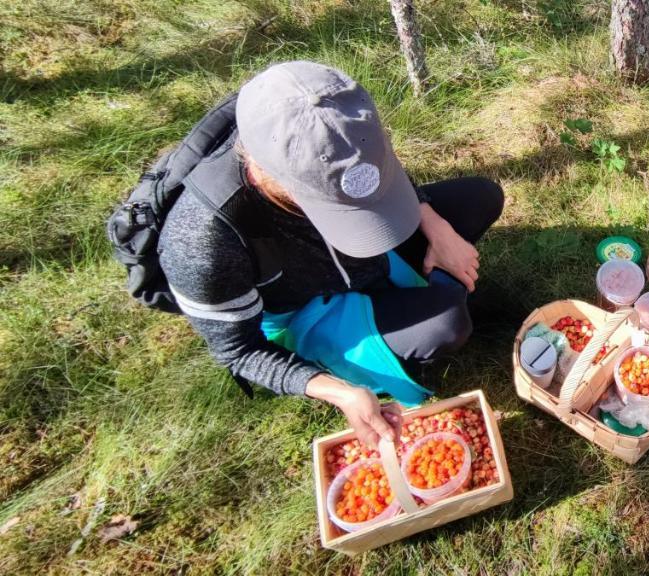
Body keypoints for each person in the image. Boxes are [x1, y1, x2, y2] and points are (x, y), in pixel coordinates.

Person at [157, 61, 503, 446]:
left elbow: (381, 174)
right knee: (446, 320)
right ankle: (383, 336)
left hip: (367, 263)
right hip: (309, 310)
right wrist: (336, 391)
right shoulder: (202, 241)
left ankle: (413, 298)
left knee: (478, 199)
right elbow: (239, 351)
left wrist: (436, 227)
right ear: (271, 178)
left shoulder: (337, 130)